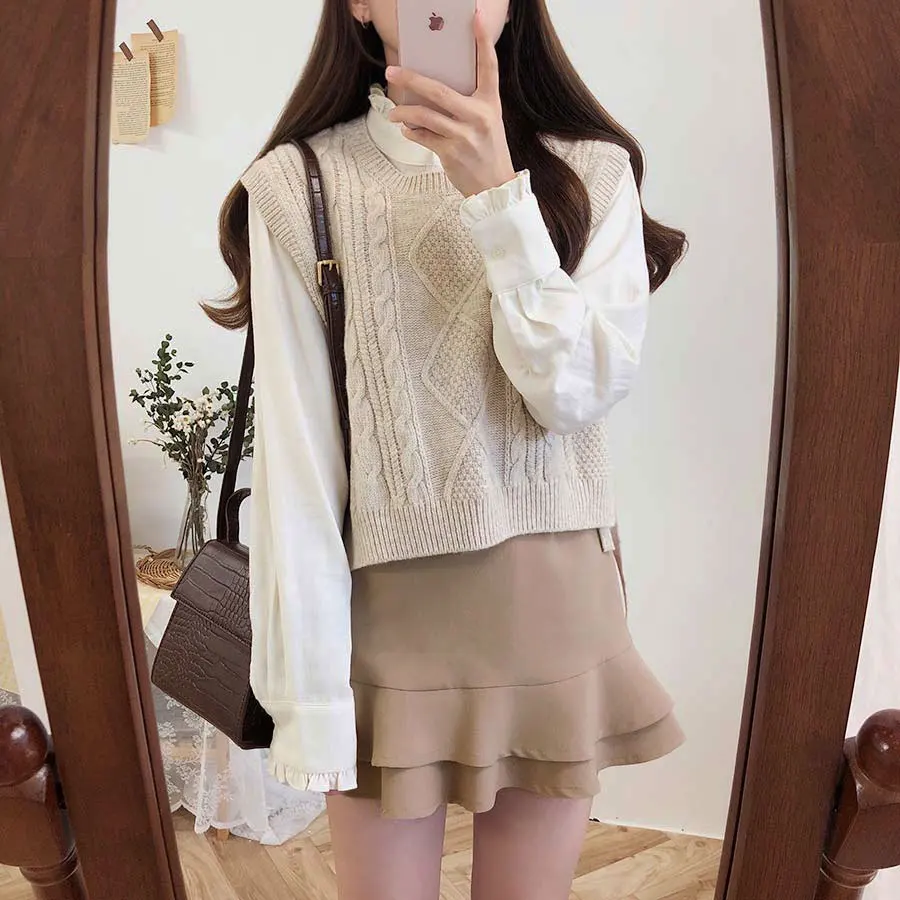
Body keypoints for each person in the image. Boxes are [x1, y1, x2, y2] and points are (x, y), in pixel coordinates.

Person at [205, 1, 687, 897]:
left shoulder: (591, 170)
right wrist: (311, 702)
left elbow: (573, 395)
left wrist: (499, 197)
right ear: (358, 2)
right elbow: (299, 467)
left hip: (555, 607)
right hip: (384, 625)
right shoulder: (299, 186)